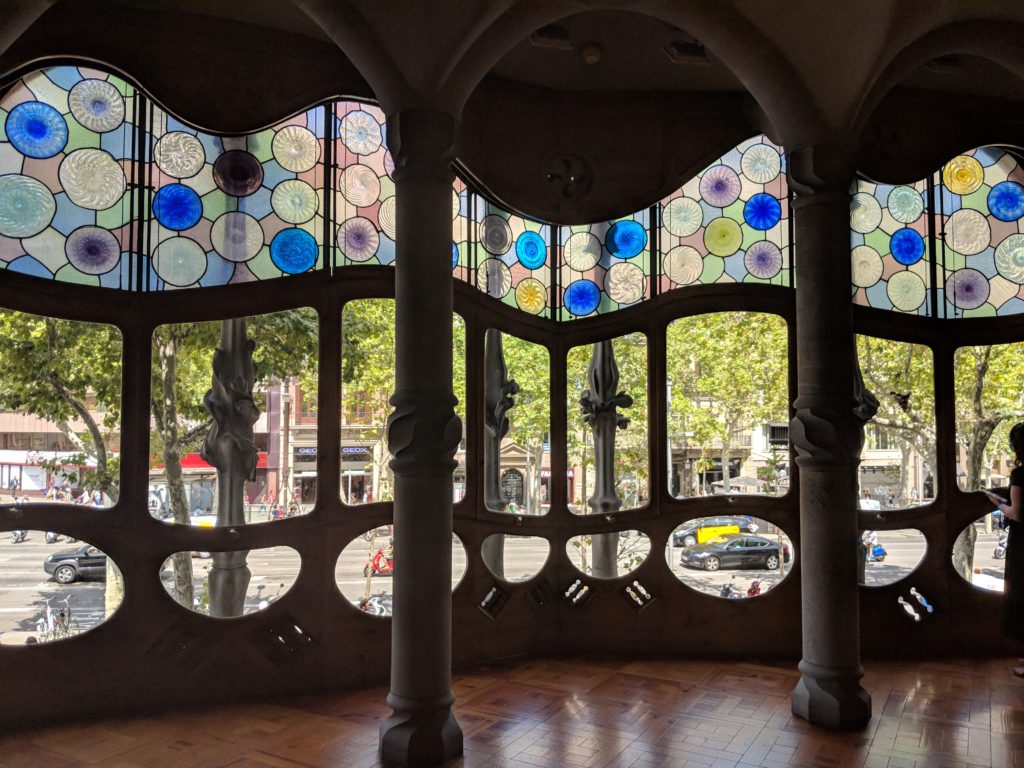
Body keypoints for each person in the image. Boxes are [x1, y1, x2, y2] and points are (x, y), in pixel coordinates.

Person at [984, 421, 1024, 677]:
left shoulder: (1021, 474)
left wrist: (998, 504)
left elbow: (1018, 513)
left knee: (1022, 595)